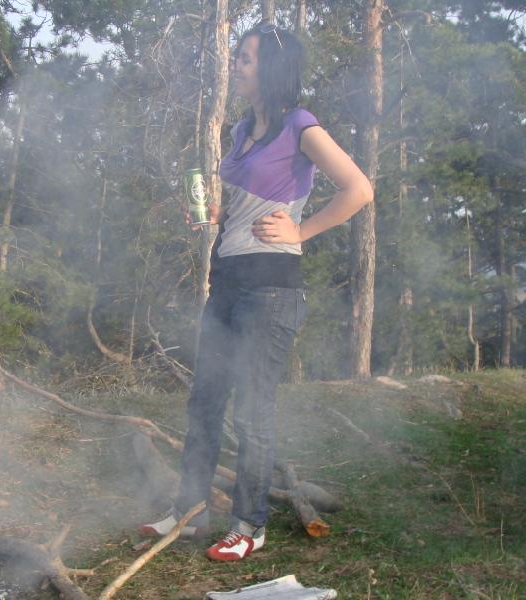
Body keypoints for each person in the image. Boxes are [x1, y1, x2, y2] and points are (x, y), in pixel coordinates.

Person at [141, 23, 373, 561]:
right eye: (238, 55)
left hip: (271, 289)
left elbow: (359, 189)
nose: (237, 64)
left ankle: (249, 525)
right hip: (227, 281)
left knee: (251, 411)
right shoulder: (243, 129)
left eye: (246, 57)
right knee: (204, 402)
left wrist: (301, 230)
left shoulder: (300, 125)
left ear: (271, 67)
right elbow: (251, 203)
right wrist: (220, 213)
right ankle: (190, 512)